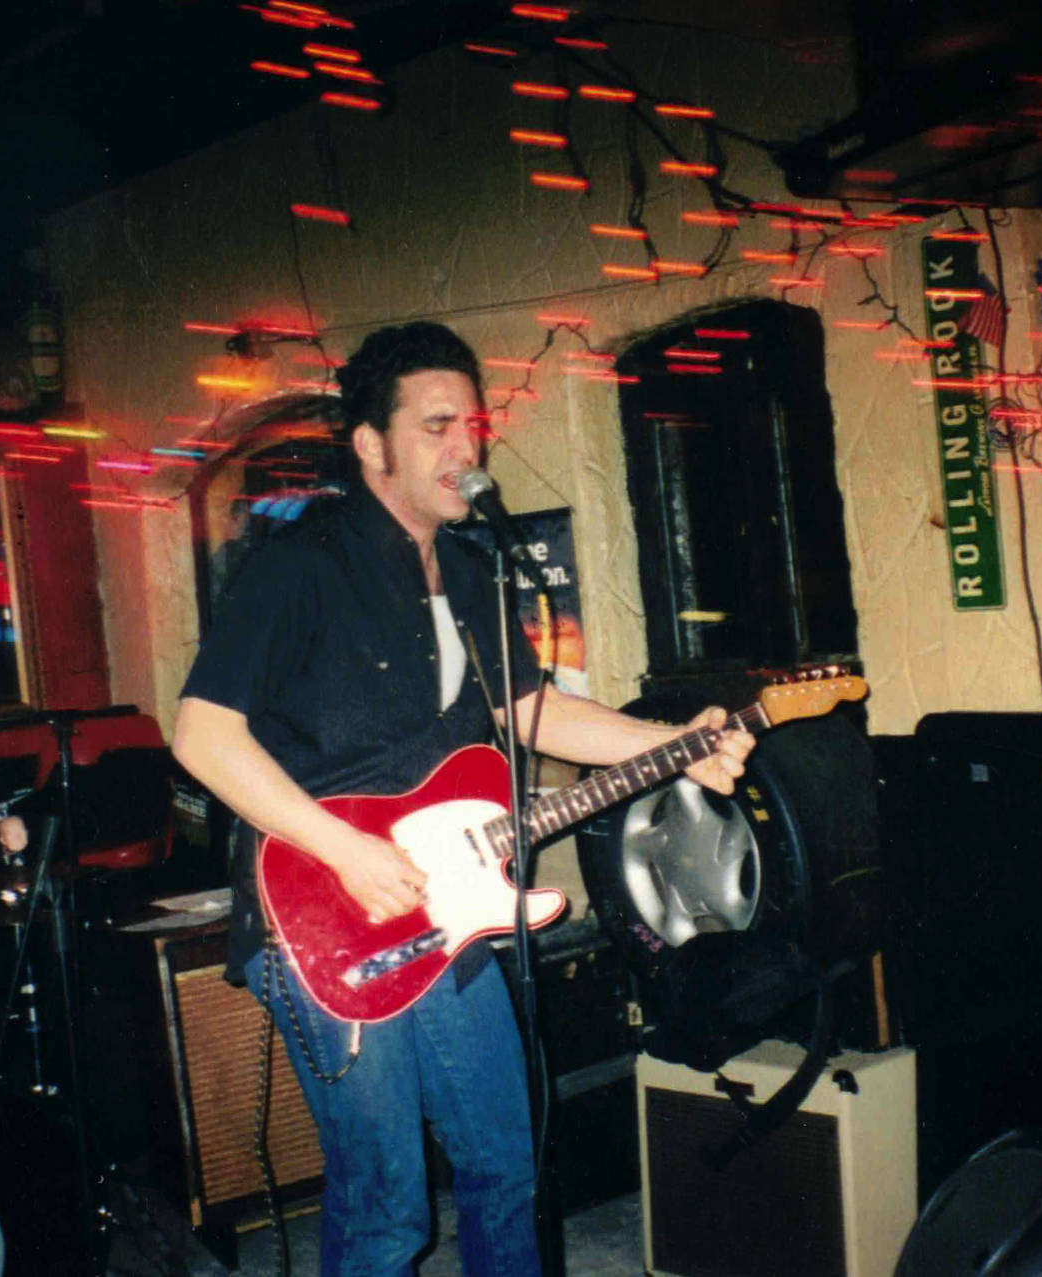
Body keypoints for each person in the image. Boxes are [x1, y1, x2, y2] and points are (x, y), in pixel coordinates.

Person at [172, 321, 755, 1277]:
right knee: (386, 1208)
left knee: (506, 1167)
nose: (467, 447)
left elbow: (528, 710)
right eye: (437, 424)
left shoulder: (478, 569)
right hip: (323, 915)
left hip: (451, 908)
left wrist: (676, 744)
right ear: (371, 446)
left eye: (473, 423)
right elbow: (202, 733)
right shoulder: (299, 567)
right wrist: (348, 850)